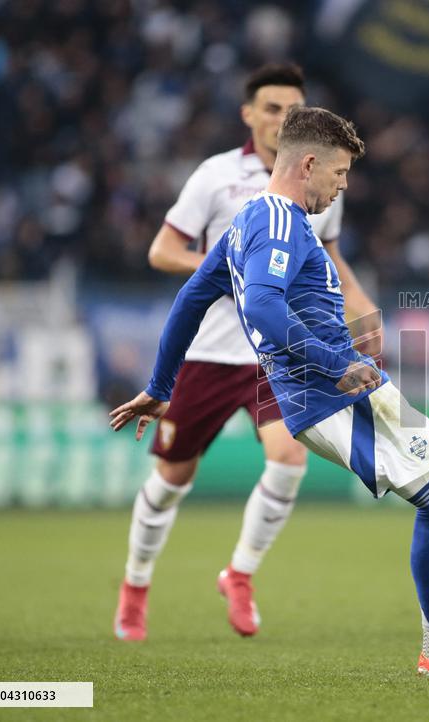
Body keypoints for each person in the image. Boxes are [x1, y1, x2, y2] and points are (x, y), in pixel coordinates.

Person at [110, 106, 429, 676]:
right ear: (308, 163)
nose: (342, 186)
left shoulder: (249, 222)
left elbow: (190, 300)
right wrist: (335, 362)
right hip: (327, 395)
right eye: (339, 174)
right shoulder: (279, 222)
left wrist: (161, 387)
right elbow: (261, 306)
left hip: (353, 388)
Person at [114, 64, 381, 642]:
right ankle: (135, 586)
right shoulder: (216, 176)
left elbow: (326, 257)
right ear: (248, 114)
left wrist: (361, 304)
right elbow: (163, 251)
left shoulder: (321, 177)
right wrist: (238, 267)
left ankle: (240, 574)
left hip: (276, 356)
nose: (281, 116)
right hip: (211, 354)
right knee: (171, 478)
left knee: (289, 462)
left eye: (292, 107)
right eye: (270, 107)